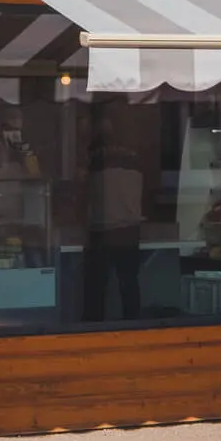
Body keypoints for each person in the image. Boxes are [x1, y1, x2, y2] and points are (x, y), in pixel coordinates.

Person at [82, 109, 146, 322]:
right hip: (129, 229)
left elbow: (83, 193)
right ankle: (134, 327)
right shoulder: (134, 158)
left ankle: (92, 330)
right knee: (129, 284)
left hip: (102, 230)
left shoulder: (94, 159)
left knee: (96, 287)